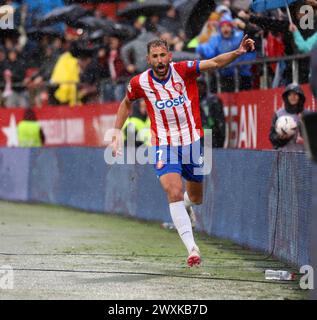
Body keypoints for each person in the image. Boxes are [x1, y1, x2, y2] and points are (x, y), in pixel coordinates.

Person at [110, 37, 255, 267]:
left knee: (196, 197)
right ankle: (192, 248)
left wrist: (238, 52)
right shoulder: (139, 83)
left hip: (194, 142)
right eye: (154, 57)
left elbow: (215, 63)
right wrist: (116, 132)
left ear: (169, 56)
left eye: (162, 55)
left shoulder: (184, 70)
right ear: (148, 59)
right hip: (163, 144)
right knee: (173, 191)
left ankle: (188, 207)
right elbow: (127, 103)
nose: (159, 60)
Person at [269, 83, 306, 151]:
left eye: (295, 94)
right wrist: (281, 138)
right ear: (286, 97)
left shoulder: (305, 115)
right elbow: (272, 137)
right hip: (282, 155)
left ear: (300, 97)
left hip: (301, 157)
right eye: (290, 94)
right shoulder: (278, 114)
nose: (293, 97)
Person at [197, 76, 226, 148]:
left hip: (208, 133)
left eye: (199, 85)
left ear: (204, 86)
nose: (198, 88)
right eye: (196, 85)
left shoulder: (212, 100)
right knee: (196, 157)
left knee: (208, 157)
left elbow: (220, 119)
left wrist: (221, 135)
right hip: (196, 134)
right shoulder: (191, 100)